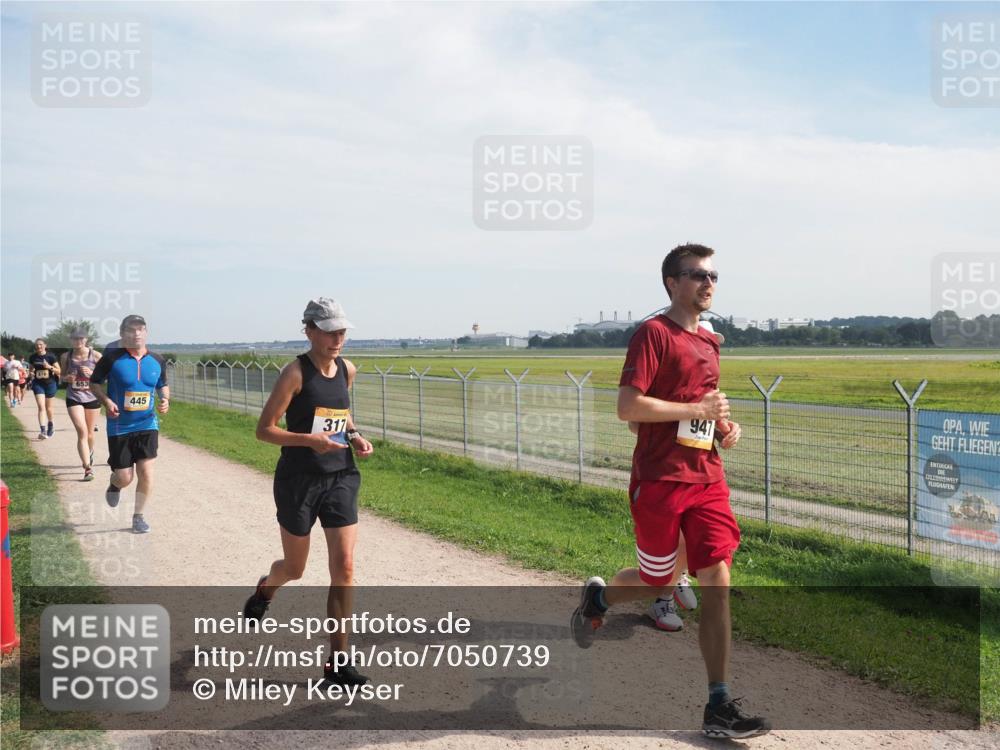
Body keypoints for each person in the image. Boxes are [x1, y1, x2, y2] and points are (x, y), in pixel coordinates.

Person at [570, 244, 770, 739]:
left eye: (714, 275)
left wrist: (722, 425)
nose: (709, 283)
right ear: (671, 283)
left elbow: (699, 407)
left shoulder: (711, 341)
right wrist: (695, 411)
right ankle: (598, 600)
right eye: (697, 274)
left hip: (706, 478)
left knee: (716, 579)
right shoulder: (652, 334)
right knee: (657, 581)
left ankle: (719, 704)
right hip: (659, 481)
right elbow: (627, 407)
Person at [242, 298, 374, 688]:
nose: (338, 338)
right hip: (298, 481)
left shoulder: (347, 369)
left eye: (342, 331)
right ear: (309, 331)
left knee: (345, 567)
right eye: (330, 331)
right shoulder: (294, 374)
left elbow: (342, 414)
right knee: (294, 569)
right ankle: (266, 589)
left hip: (341, 477)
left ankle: (337, 663)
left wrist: (354, 435)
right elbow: (264, 430)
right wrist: (308, 441)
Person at [89, 315, 169, 534]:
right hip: (119, 426)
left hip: (147, 423)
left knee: (146, 472)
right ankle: (115, 484)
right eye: (132, 330)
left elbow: (163, 385)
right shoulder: (112, 359)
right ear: (122, 334)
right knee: (125, 477)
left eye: (141, 329)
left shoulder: (157, 360)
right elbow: (93, 383)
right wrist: (106, 401)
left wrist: (165, 399)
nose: (137, 334)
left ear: (146, 332)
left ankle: (138, 516)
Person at [60, 330, 103, 481]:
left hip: (92, 397)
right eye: (74, 338)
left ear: (86, 339)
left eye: (80, 338)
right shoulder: (66, 356)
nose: (78, 341)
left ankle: (90, 452)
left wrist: (92, 373)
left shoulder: (96, 356)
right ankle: (87, 468)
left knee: (90, 433)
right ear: (71, 340)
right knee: (82, 431)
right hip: (74, 397)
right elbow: (62, 377)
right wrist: (67, 379)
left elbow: (106, 377)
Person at [28, 339, 60, 439]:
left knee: (48, 408)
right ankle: (43, 431)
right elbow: (31, 368)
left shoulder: (51, 356)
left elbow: (59, 371)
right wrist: (31, 372)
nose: (39, 347)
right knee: (41, 407)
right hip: (38, 384)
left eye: (41, 345)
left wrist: (49, 367)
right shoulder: (33, 357)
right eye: (37, 345)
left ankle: (51, 425)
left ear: (45, 345)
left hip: (50, 383)